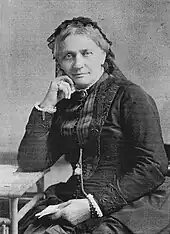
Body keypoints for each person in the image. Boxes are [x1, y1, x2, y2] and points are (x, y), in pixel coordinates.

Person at [17, 16, 170, 234]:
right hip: (74, 199)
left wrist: (93, 206)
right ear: (59, 63)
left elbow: (153, 167)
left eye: (86, 53)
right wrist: (48, 104)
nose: (78, 64)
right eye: (68, 56)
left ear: (103, 55)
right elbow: (32, 162)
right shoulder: (65, 103)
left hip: (133, 203)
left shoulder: (131, 96)